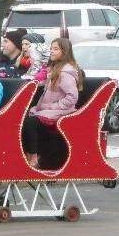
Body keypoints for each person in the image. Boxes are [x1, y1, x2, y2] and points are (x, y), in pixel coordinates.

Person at [21, 38, 83, 168]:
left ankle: (34, 155)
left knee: (31, 122)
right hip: (48, 109)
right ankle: (28, 152)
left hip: (62, 111)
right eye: (51, 49)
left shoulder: (65, 72)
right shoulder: (53, 70)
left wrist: (51, 106)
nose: (52, 52)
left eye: (55, 49)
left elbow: (72, 97)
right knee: (24, 119)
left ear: (64, 52)